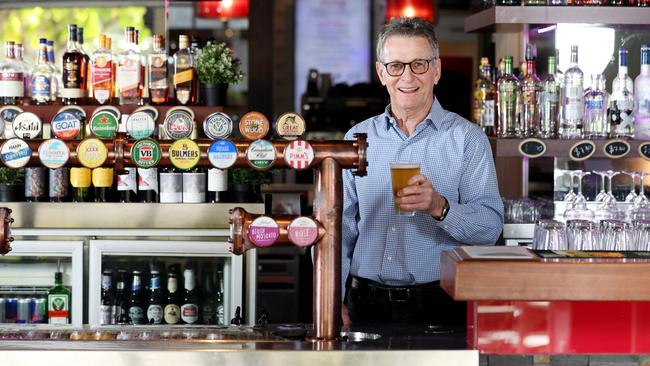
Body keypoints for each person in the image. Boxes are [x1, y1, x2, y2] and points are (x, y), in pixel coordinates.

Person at [342, 17, 503, 326]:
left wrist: (439, 207)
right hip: (365, 305)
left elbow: (490, 228)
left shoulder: (467, 139)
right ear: (381, 72)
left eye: (419, 64)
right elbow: (339, 230)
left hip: (440, 305)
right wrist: (332, 300)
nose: (407, 77)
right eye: (396, 66)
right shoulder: (357, 139)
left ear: (436, 70)